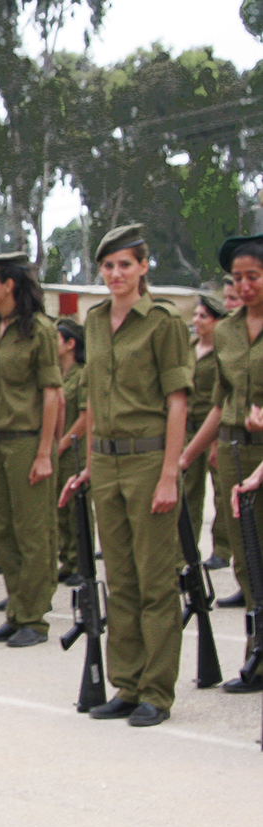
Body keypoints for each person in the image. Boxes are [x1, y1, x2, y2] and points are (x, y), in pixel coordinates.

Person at [59, 225, 191, 726]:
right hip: (109, 463)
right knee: (121, 579)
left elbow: (177, 401)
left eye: (125, 265)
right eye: (109, 266)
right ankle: (128, 684)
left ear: (143, 267)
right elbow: (96, 400)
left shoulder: (162, 323)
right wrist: (91, 463)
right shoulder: (93, 321)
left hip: (148, 459)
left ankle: (157, 691)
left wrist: (169, 475)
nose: (116, 275)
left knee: (155, 581)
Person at [179, 233, 263, 693]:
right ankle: (257, 654)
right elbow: (219, 403)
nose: (244, 286)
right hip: (232, 449)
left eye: (254, 277)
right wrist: (187, 455)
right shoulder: (228, 330)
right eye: (238, 278)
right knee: (247, 559)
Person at [0, 251, 62, 648]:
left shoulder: (38, 329)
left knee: (32, 532)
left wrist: (45, 452)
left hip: (26, 442)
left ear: (9, 285)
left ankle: (34, 617)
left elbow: (53, 393)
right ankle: (16, 608)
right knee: (1, 530)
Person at [187, 294, 229, 569]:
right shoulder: (190, 349)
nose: (196, 321)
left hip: (212, 428)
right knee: (188, 489)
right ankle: (186, 550)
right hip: (189, 429)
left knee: (221, 491)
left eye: (203, 316)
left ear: (216, 322)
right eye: (196, 315)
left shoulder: (223, 354)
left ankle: (222, 549)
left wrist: (215, 441)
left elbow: (224, 397)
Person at [53, 320, 89, 583]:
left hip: (76, 449)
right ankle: (67, 559)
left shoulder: (82, 375)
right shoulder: (57, 375)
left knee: (79, 510)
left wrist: (63, 442)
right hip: (59, 450)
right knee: (61, 509)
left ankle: (81, 563)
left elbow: (87, 418)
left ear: (70, 344)